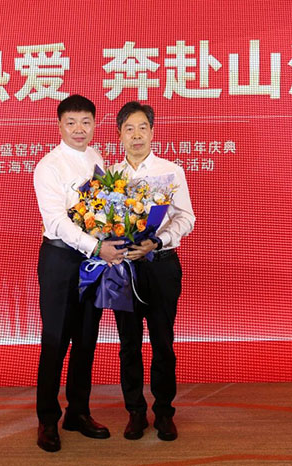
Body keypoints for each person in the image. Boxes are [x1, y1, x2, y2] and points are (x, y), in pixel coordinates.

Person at [33, 94, 125, 452]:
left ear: (94, 124)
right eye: (71, 122)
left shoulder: (96, 158)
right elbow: (57, 222)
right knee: (55, 340)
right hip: (60, 260)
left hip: (93, 262)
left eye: (86, 122)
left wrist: (113, 239)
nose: (79, 129)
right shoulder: (49, 166)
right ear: (59, 125)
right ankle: (47, 419)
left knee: (86, 338)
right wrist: (96, 247)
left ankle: (78, 412)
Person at [111, 101, 195, 441]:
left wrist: (157, 241)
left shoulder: (171, 171)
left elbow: (186, 217)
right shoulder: (108, 177)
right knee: (128, 345)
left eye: (142, 128)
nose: (136, 135)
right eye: (129, 129)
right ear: (119, 135)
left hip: (161, 266)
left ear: (152, 132)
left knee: (163, 342)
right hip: (123, 271)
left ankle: (163, 412)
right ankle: (135, 412)